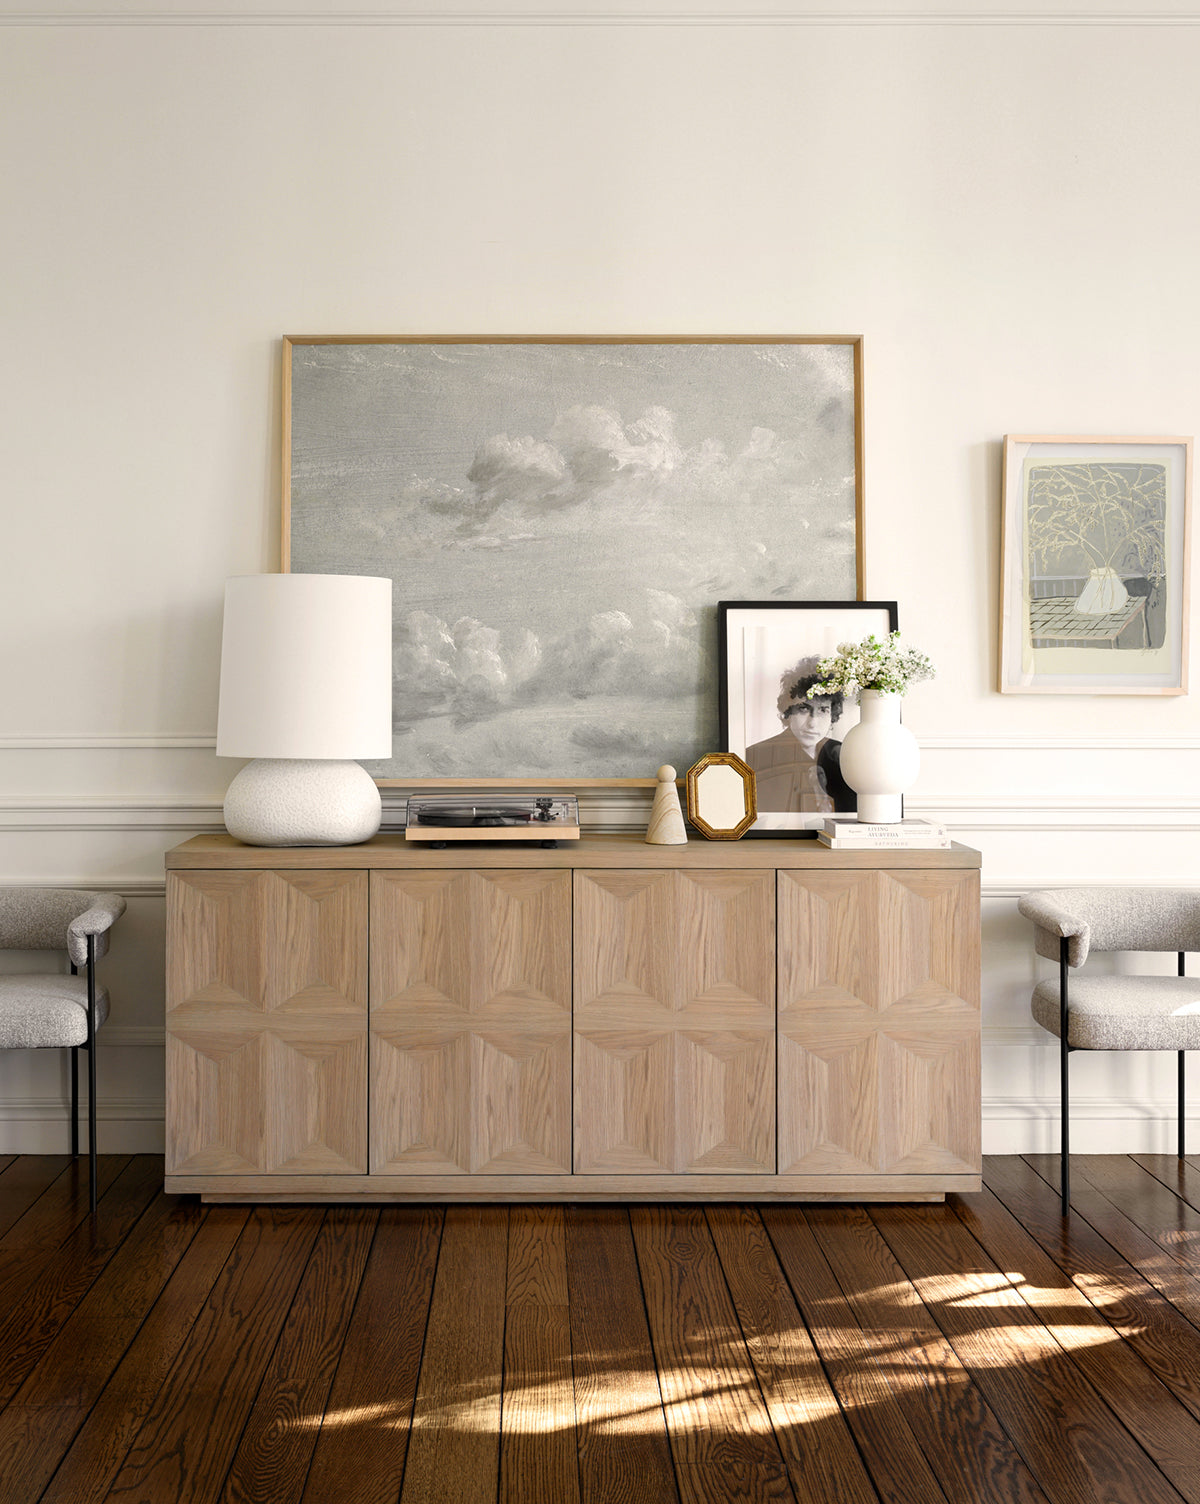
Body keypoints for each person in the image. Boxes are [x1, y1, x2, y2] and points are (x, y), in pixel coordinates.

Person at [744, 656, 854, 815]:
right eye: (803, 709)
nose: (813, 723)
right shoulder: (753, 758)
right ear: (788, 711)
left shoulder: (847, 758)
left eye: (823, 710)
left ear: (833, 715)